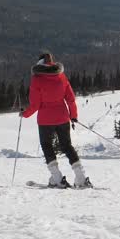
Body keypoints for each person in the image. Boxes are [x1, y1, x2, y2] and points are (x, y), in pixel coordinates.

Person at [21, 52, 91, 188]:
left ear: (39, 63)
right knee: (67, 146)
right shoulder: (61, 76)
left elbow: (35, 104)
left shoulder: (37, 79)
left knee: (47, 146)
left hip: (45, 120)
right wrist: (73, 116)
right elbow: (70, 99)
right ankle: (81, 178)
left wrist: (25, 114)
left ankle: (57, 178)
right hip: (62, 117)